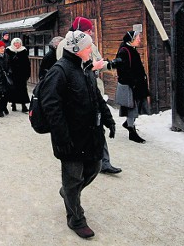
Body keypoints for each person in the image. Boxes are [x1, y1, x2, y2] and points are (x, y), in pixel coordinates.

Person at [41, 30, 116, 239]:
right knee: (73, 178)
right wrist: (62, 137)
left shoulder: (86, 68)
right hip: (70, 138)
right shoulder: (60, 71)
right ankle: (76, 218)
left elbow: (97, 98)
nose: (90, 50)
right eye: (87, 47)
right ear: (76, 49)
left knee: (94, 167)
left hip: (90, 134)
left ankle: (68, 193)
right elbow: (50, 106)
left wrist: (108, 120)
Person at [57, 16, 122, 174]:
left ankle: (103, 162)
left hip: (92, 90)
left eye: (91, 30)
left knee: (97, 127)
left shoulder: (89, 44)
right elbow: (69, 69)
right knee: (82, 131)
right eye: (88, 29)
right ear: (78, 30)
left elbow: (97, 62)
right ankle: (78, 170)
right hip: (77, 96)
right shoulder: (64, 45)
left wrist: (110, 65)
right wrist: (91, 69)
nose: (91, 32)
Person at [115, 30, 149, 143]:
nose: (140, 39)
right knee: (131, 107)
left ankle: (129, 124)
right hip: (131, 85)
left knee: (137, 105)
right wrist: (133, 82)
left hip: (137, 84)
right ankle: (131, 131)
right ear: (131, 40)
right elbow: (122, 70)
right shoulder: (124, 51)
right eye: (138, 38)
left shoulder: (131, 49)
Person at [5, 37, 31, 112]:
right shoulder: (9, 50)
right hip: (12, 73)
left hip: (21, 74)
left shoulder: (23, 50)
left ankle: (23, 105)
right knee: (13, 89)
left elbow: (27, 63)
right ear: (13, 44)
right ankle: (13, 104)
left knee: (22, 89)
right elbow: (7, 62)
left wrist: (27, 73)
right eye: (15, 43)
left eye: (18, 43)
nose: (17, 45)